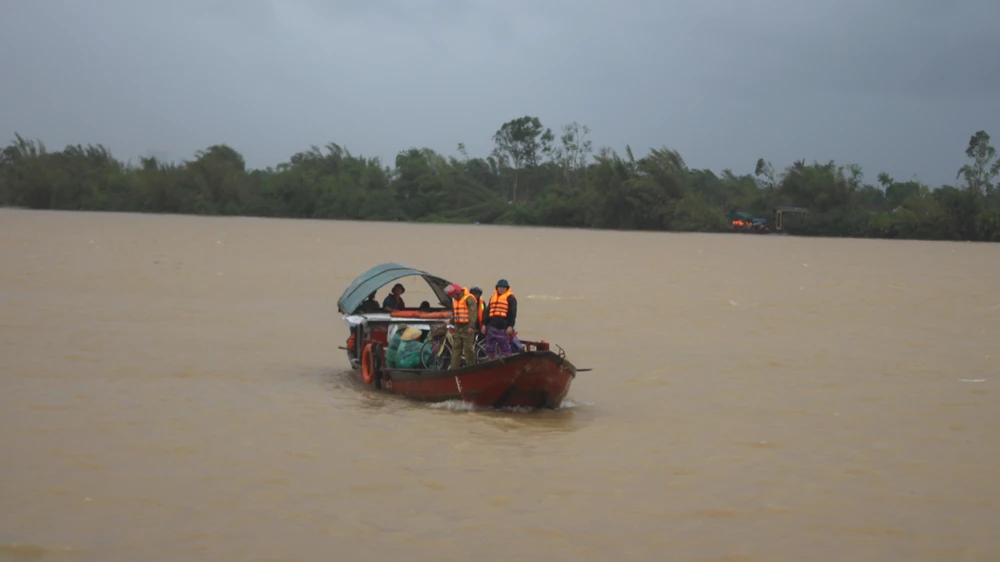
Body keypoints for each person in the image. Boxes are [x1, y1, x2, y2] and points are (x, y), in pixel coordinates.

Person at [444, 283, 478, 369]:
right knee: (456, 349)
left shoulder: (469, 299)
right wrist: (450, 321)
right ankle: (453, 369)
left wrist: (471, 326)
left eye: (453, 295)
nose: (453, 297)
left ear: (457, 293)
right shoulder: (456, 300)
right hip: (458, 327)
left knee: (468, 349)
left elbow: (473, 314)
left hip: (467, 327)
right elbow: (456, 314)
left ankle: (471, 368)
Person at [483, 279, 517, 358]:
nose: (501, 289)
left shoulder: (511, 298)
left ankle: (506, 360)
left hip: (503, 326)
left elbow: (513, 313)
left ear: (507, 288)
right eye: (500, 287)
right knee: (489, 345)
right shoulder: (493, 298)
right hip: (492, 325)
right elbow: (487, 312)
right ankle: (491, 359)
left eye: (503, 288)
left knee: (504, 345)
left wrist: (510, 326)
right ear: (497, 288)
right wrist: (484, 324)